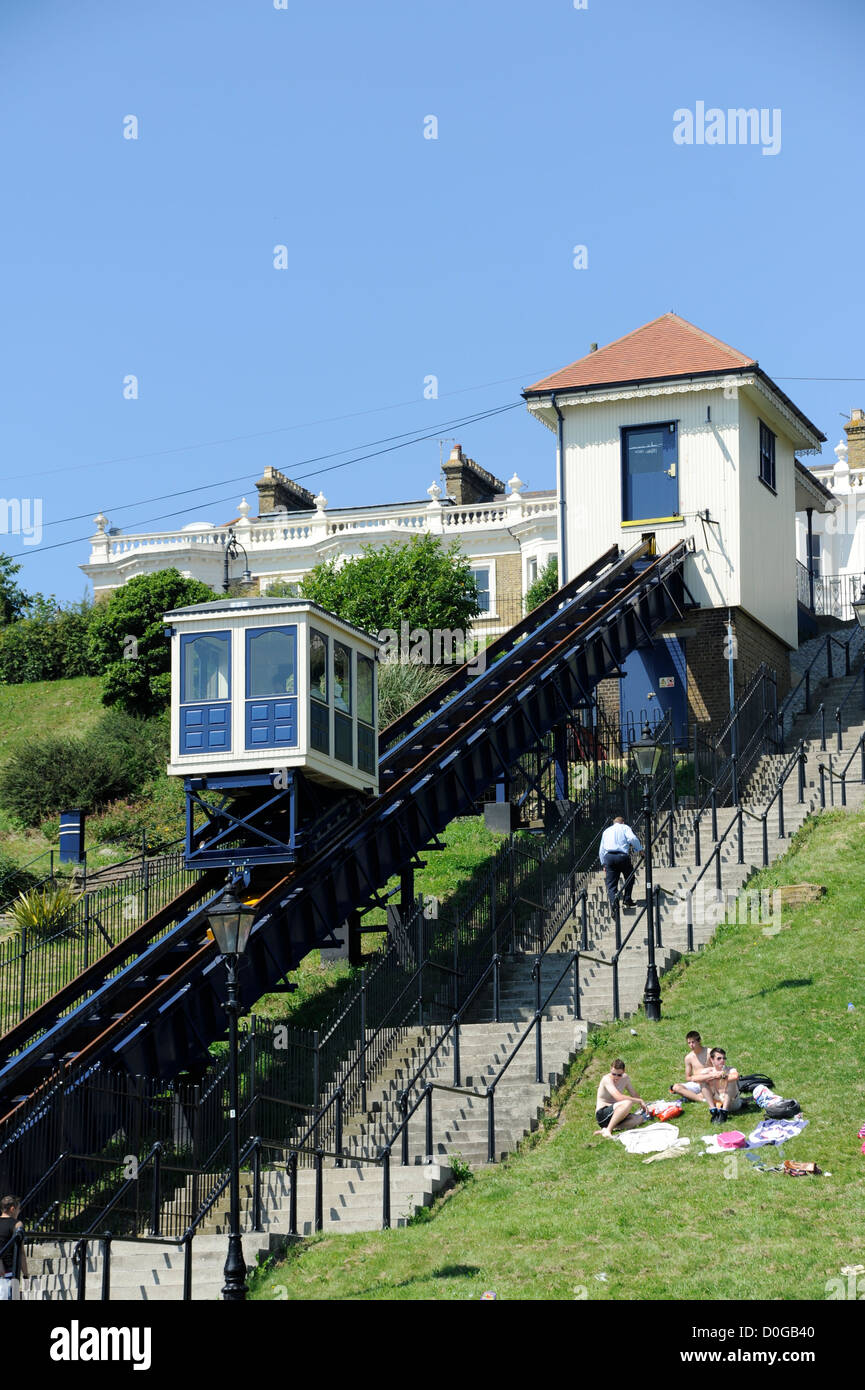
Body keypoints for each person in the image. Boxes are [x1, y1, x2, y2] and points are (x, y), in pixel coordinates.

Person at [594, 1059, 649, 1137]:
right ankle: (608, 1130)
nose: (616, 1077)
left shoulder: (625, 1078)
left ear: (623, 1071)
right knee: (628, 1102)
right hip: (603, 1114)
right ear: (610, 1070)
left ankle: (610, 1127)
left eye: (619, 1075)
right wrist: (639, 1100)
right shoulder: (606, 1079)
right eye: (613, 1074)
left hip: (617, 1112)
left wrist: (644, 1106)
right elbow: (618, 1097)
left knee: (639, 1119)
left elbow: (633, 1093)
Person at [598, 815, 641, 910]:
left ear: (614, 823)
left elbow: (601, 849)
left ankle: (614, 906)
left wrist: (603, 863)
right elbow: (633, 839)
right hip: (622, 856)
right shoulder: (625, 827)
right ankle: (627, 899)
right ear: (623, 822)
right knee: (630, 877)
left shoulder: (606, 831)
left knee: (611, 885)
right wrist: (640, 850)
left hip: (609, 857)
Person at [697, 1047, 741, 1123]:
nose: (722, 1061)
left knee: (730, 1080)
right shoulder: (708, 1071)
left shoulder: (730, 1069)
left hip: (732, 1103)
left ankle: (724, 1112)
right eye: (719, 1058)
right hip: (717, 1103)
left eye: (724, 1058)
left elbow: (736, 1076)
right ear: (712, 1060)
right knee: (703, 1081)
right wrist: (713, 1076)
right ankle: (713, 1110)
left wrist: (722, 1077)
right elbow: (696, 1079)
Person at [670, 1030, 711, 1103]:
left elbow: (719, 1069)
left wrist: (705, 1077)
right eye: (689, 1043)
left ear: (699, 1041)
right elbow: (688, 1077)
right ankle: (700, 1098)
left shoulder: (709, 1052)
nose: (691, 1045)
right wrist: (697, 1078)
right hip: (696, 1083)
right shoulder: (688, 1057)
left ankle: (692, 1096)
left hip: (710, 1083)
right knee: (676, 1087)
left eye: (693, 1042)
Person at [0, 1196, 26, 1301]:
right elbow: (21, 1252)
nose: (19, 1212)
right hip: (9, 1272)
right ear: (12, 1209)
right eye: (19, 1209)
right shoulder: (17, 1224)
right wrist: (26, 1274)